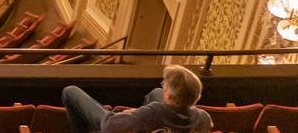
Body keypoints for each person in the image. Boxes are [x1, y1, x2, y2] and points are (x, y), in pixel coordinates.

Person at [62, 65, 212, 133]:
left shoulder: (153, 112)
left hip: (115, 124)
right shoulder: (203, 118)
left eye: (165, 85)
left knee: (70, 92)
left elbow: (109, 126)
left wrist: (131, 114)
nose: (163, 87)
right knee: (155, 92)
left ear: (170, 95)